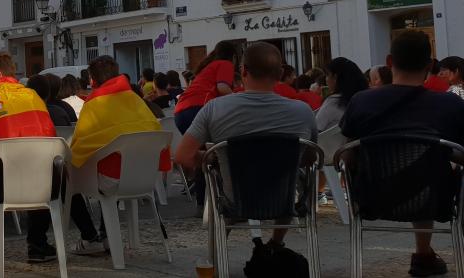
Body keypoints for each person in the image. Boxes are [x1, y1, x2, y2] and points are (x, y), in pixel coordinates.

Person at [340, 31, 464, 277]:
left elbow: (346, 155)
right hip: (434, 199)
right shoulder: (449, 105)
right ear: (430, 66)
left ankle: (424, 255)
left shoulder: (361, 102)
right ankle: (423, 254)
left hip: (373, 199)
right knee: (429, 173)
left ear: (389, 62)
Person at [175, 42, 316, 247]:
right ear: (280, 73)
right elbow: (311, 158)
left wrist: (211, 158)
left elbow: (182, 157)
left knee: (225, 192)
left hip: (236, 201)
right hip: (284, 200)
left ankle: (216, 260)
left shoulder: (215, 109)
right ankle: (275, 245)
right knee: (288, 187)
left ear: (242, 71)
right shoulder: (303, 112)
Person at [0, 52, 57, 265]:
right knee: (46, 166)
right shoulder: (33, 95)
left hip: (2, 187)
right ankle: (37, 246)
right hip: (41, 184)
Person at [68, 56, 163, 254]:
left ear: (92, 81)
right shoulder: (135, 99)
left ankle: (89, 237)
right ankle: (106, 234)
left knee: (64, 180)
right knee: (113, 162)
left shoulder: (94, 103)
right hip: (145, 177)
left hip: (113, 179)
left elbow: (79, 145)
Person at [173, 41, 239, 135]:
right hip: (198, 109)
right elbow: (223, 88)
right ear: (234, 57)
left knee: (201, 148)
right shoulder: (226, 64)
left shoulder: (208, 67)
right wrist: (239, 101)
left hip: (180, 113)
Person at [314, 57, 368, 131]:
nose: (326, 80)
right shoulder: (365, 98)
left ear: (335, 77)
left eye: (327, 75)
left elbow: (315, 128)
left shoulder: (333, 101)